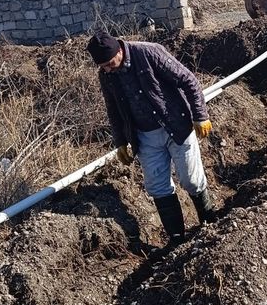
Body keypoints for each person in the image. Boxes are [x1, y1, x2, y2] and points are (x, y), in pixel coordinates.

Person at [86, 31, 216, 248]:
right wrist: (120, 141)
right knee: (157, 186)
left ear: (119, 50)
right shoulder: (106, 74)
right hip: (145, 136)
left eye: (109, 63)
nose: (107, 69)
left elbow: (188, 80)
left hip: (176, 125)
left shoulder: (148, 52)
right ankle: (176, 240)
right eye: (103, 67)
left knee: (191, 180)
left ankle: (210, 222)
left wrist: (200, 115)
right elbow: (113, 109)